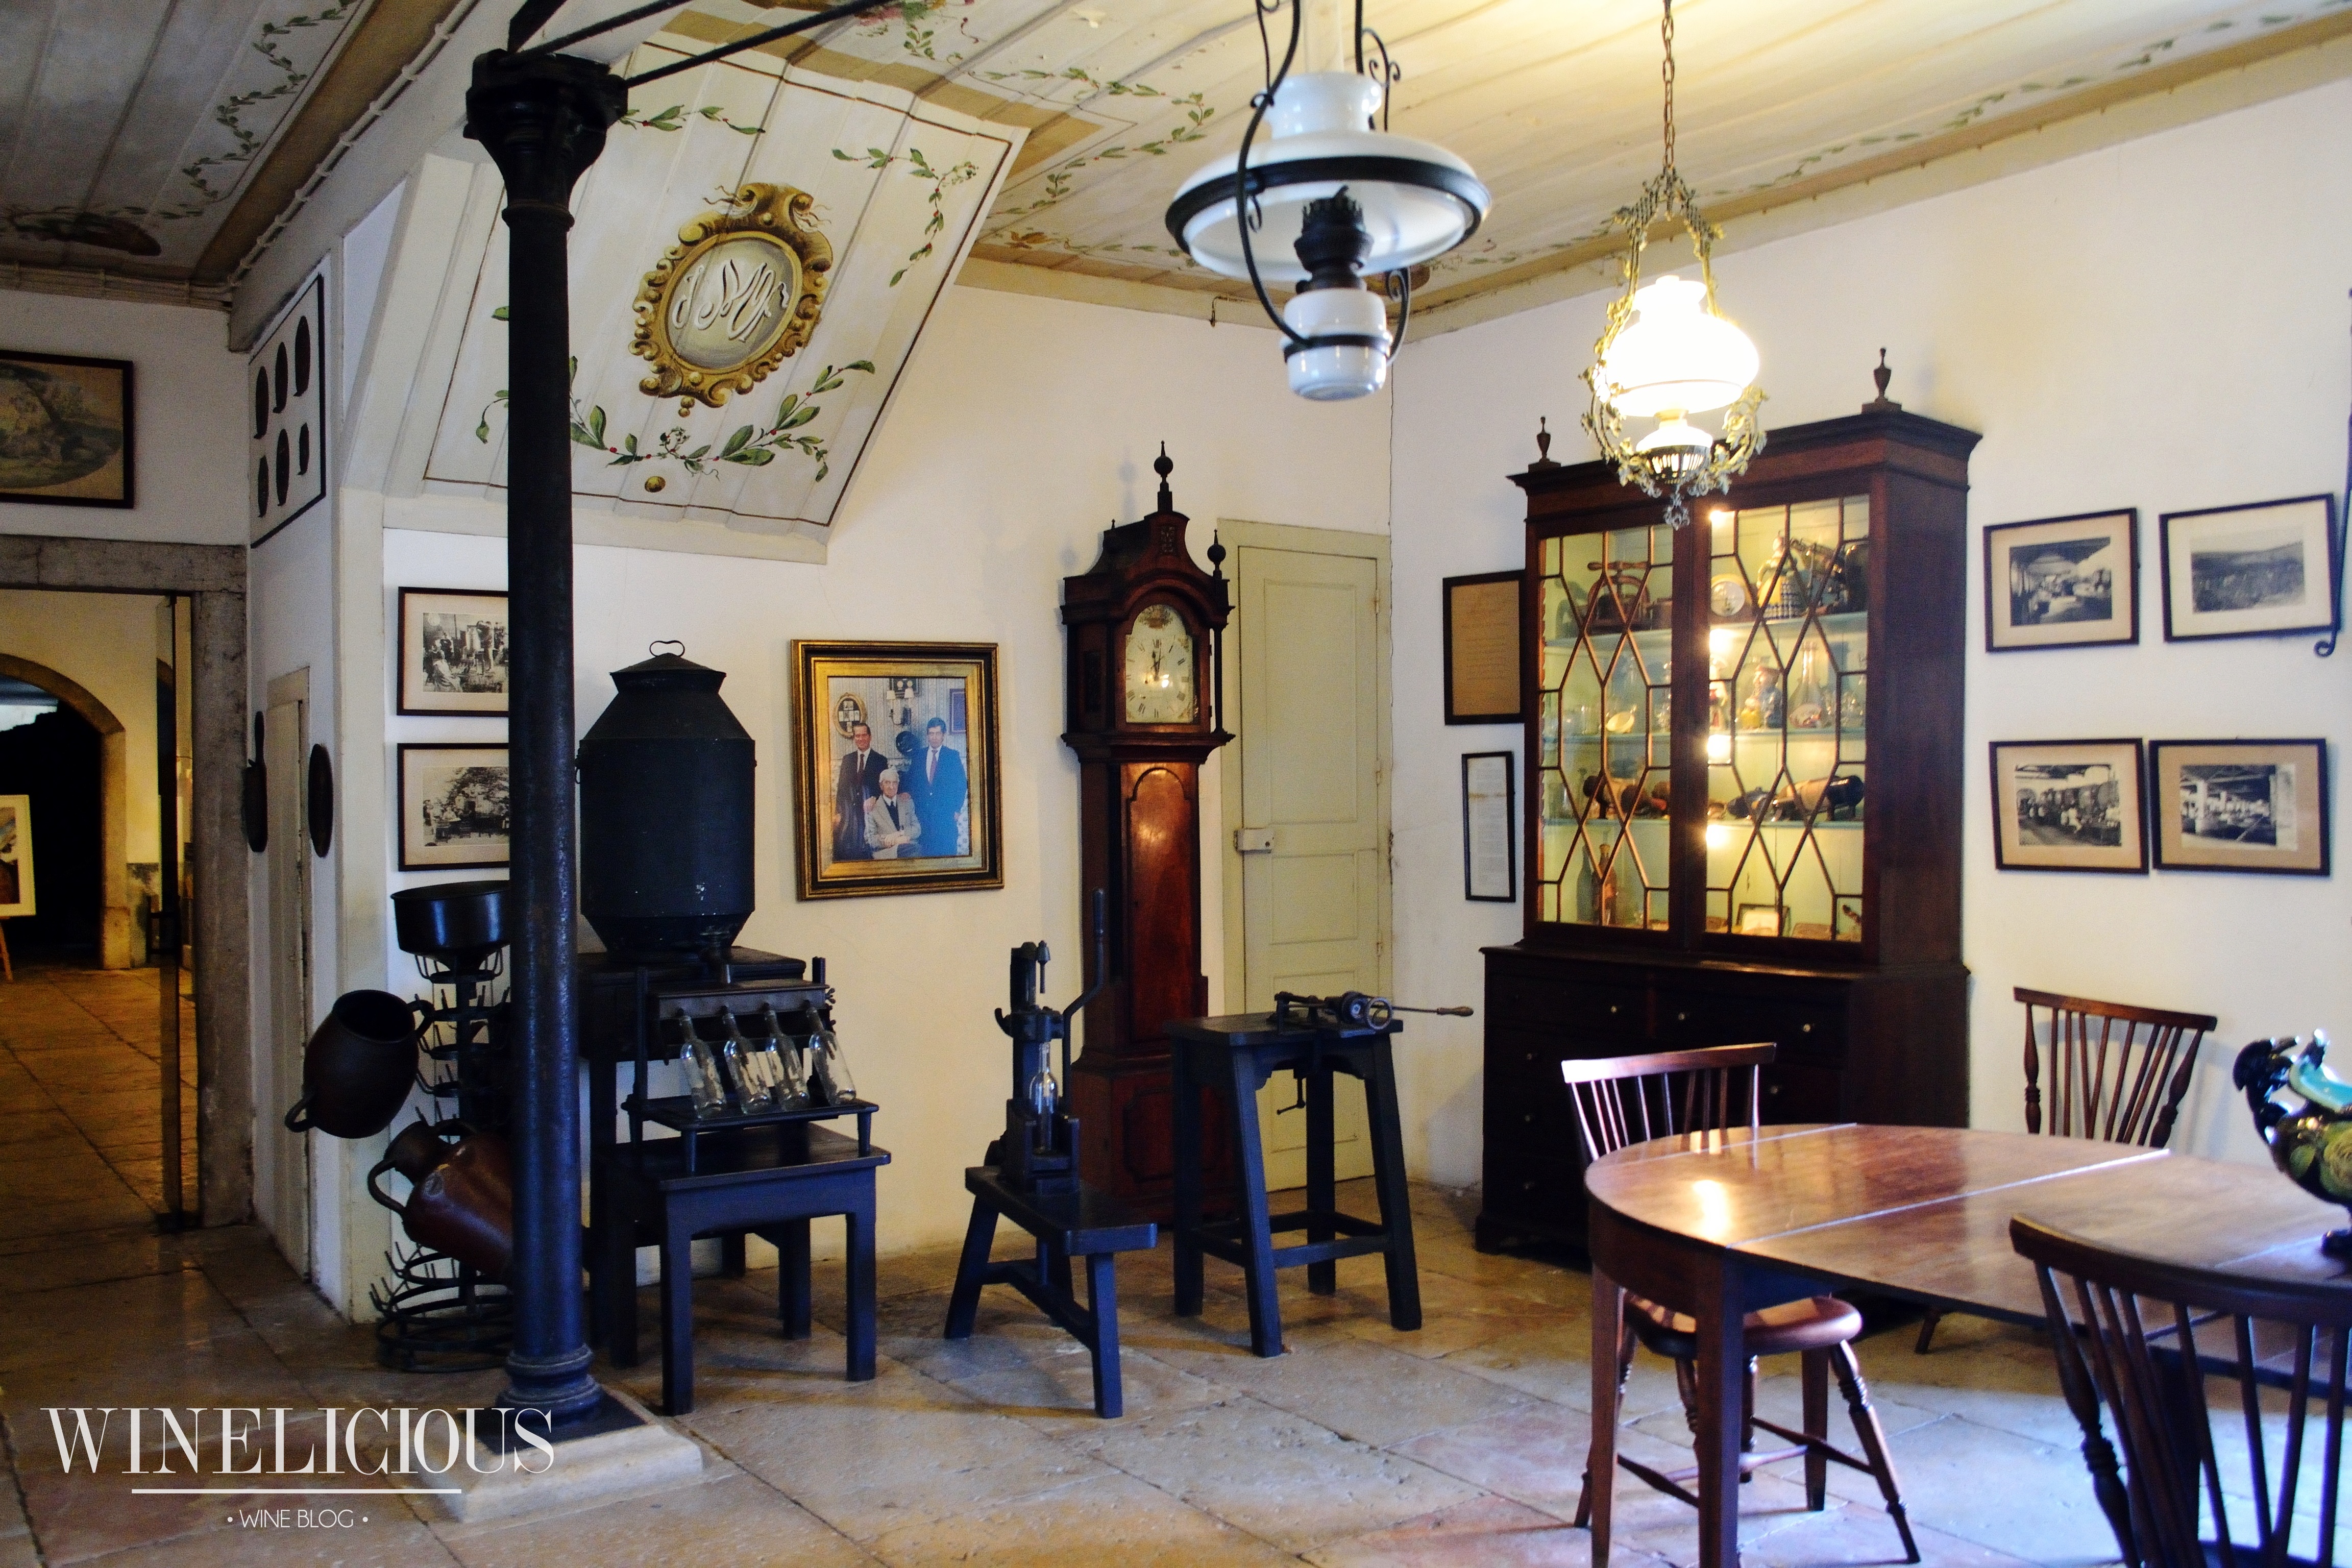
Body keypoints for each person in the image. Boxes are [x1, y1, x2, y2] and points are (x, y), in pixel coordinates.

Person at [904, 716, 968, 858]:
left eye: (938, 734)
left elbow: (961, 784)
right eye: (931, 734)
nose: (934, 737)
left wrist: (957, 809)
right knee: (925, 855)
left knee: (947, 854)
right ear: (927, 735)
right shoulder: (918, 756)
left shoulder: (952, 756)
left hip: (946, 816)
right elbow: (911, 780)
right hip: (923, 816)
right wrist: (906, 793)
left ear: (944, 735)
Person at [832, 721, 888, 862]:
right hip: (849, 815)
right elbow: (841, 789)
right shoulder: (847, 760)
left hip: (869, 813)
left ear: (870, 737)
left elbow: (884, 789)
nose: (861, 739)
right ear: (854, 738)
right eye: (858, 736)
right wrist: (837, 813)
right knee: (843, 851)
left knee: (866, 853)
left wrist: (875, 798)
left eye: (864, 735)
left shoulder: (880, 760)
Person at [864, 768, 922, 860]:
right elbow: (870, 838)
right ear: (881, 786)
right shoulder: (872, 807)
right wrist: (894, 841)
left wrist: (901, 834)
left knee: (916, 850)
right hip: (887, 852)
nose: (892, 787)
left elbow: (917, 829)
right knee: (917, 851)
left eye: (895, 783)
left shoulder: (907, 803)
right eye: (887, 783)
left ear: (898, 785)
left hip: (908, 846)